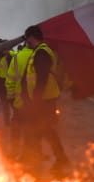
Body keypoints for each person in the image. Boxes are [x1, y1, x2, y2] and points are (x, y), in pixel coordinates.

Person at [21, 25, 69, 168]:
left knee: (45, 128)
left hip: (43, 100)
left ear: (31, 37)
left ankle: (60, 158)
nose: (26, 42)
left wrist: (36, 99)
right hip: (43, 98)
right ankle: (37, 156)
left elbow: (41, 78)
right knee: (41, 128)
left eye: (27, 38)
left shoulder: (42, 53)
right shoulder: (39, 51)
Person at [5, 44, 33, 158]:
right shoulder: (40, 55)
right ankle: (29, 154)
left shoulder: (17, 57)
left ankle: (13, 152)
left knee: (16, 127)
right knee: (31, 129)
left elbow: (10, 80)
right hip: (36, 102)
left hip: (19, 101)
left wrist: (10, 98)